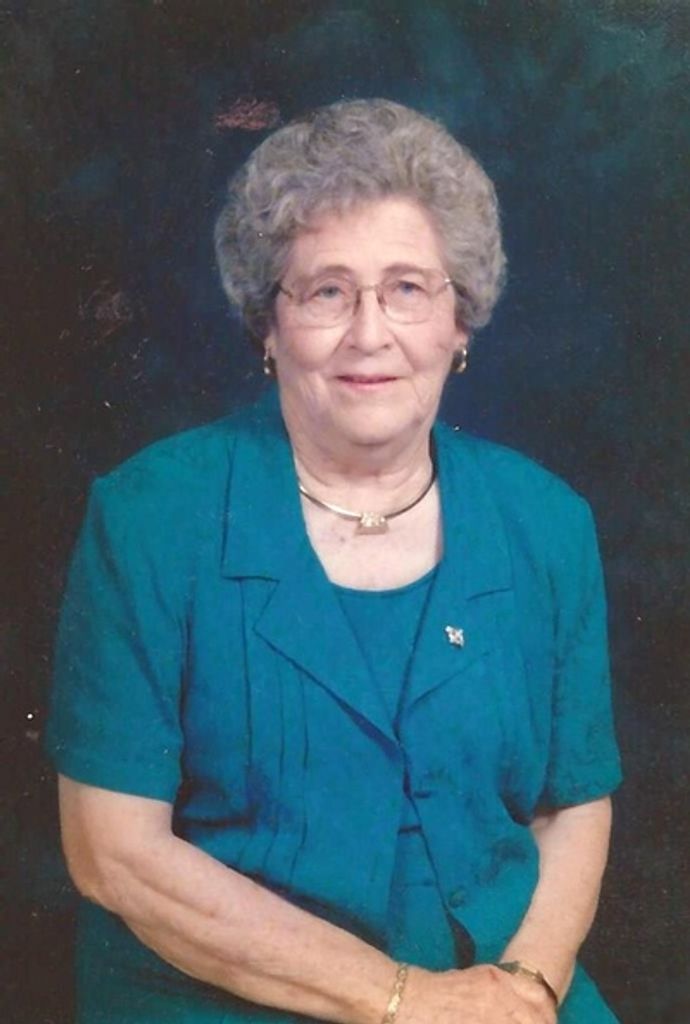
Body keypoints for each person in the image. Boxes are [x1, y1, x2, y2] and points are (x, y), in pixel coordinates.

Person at [46, 99, 622, 1024]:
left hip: (499, 984)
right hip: (227, 995)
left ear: (460, 322)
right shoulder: (152, 517)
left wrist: (526, 988)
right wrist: (406, 1001)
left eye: (408, 288)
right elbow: (112, 853)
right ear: (268, 328)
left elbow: (573, 805)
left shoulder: (546, 522)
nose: (369, 333)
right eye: (326, 292)